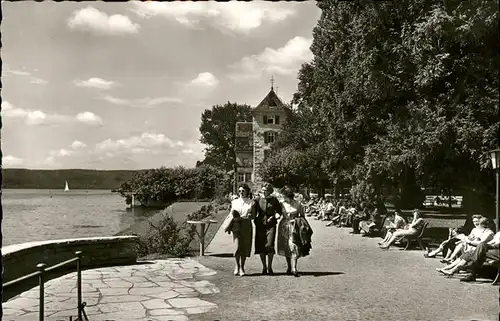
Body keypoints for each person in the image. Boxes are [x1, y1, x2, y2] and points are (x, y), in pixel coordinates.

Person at [277, 186, 313, 277]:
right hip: (284, 226)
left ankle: (294, 268)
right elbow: (278, 213)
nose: (282, 197)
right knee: (286, 247)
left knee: (294, 246)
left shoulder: (298, 204)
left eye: (283, 195)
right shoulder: (282, 204)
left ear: (287, 195)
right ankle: (289, 267)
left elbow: (302, 216)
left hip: (295, 227)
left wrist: (298, 220)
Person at [223, 184, 256, 276]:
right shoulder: (234, 202)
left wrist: (250, 216)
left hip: (246, 224)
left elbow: (253, 216)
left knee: (245, 246)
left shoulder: (251, 202)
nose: (241, 192)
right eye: (240, 191)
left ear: (247, 192)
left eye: (243, 191)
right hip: (236, 224)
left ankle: (242, 267)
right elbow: (230, 214)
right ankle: (237, 266)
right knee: (237, 246)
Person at [254, 183, 282, 275]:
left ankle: (270, 266)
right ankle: (264, 267)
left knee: (269, 245)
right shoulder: (258, 200)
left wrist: (275, 216)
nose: (263, 191)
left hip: (271, 225)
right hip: (260, 224)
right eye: (263, 189)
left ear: (270, 191)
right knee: (261, 246)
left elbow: (278, 211)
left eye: (265, 190)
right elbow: (254, 211)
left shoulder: (274, 200)